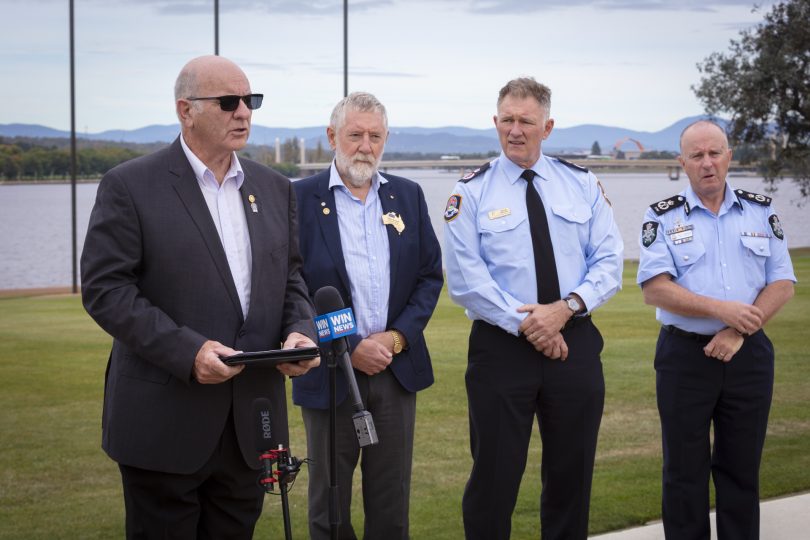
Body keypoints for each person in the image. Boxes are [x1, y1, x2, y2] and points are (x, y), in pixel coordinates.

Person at [80, 55, 320, 539]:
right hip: (164, 427)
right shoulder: (130, 186)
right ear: (185, 109)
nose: (244, 113)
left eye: (250, 101)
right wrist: (188, 352)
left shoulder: (274, 188)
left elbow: (290, 278)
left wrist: (300, 331)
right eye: (229, 101)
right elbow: (106, 290)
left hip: (252, 425)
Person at [443, 77, 623, 539]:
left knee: (571, 478)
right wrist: (531, 324)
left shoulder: (581, 184)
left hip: (574, 343)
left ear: (548, 126)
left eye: (526, 121)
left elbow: (608, 261)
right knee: (494, 479)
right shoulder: (471, 192)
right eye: (507, 120)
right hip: (501, 349)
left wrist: (565, 309)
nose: (515, 130)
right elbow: (466, 279)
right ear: (495, 122)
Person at [292, 92, 443, 539]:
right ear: (331, 136)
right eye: (355, 134)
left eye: (375, 136)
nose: (365, 145)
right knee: (329, 507)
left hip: (396, 372)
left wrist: (395, 339)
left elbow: (429, 277)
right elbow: (292, 287)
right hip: (331, 373)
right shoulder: (298, 198)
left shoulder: (408, 196)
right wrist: (352, 345)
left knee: (391, 503)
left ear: (386, 139)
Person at [637, 119, 796, 539]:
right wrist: (721, 310)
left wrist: (737, 331)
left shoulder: (761, 210)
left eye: (715, 153)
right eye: (697, 156)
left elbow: (782, 283)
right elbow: (655, 290)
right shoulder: (661, 217)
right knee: (683, 473)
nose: (707, 163)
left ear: (729, 156)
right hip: (684, 359)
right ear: (682, 163)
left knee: (741, 470)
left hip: (749, 357)